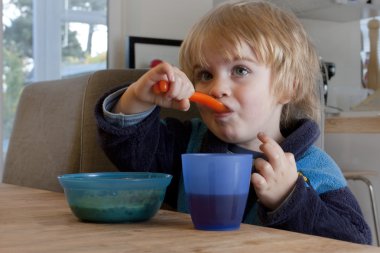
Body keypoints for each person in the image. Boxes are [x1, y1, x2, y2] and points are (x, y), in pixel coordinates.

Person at [95, 0, 372, 244]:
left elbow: (355, 240)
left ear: (289, 87)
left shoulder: (315, 168)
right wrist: (136, 97)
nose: (217, 88)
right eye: (205, 74)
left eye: (240, 70)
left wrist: (290, 198)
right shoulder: (189, 144)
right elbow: (131, 154)